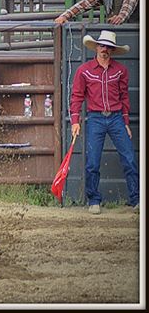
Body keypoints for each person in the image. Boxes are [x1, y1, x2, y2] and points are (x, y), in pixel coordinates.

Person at [70, 30, 139, 214]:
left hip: (116, 117)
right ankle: (93, 199)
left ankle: (136, 199)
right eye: (102, 45)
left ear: (112, 50)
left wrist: (125, 122)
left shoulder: (120, 71)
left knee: (129, 158)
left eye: (108, 47)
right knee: (92, 161)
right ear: (96, 47)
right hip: (95, 118)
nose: (104, 49)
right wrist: (75, 121)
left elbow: (124, 97)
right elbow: (76, 96)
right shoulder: (83, 71)